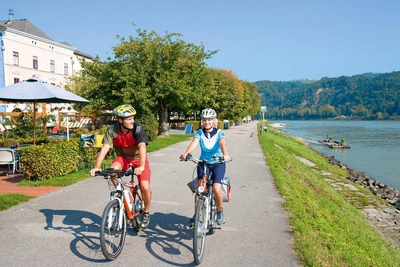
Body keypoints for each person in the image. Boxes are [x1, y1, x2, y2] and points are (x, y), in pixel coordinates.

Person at [90, 104, 152, 229]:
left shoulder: (137, 129)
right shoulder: (112, 130)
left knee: (145, 186)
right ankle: (120, 193)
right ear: (120, 120)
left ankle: (146, 212)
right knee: (113, 169)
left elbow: (142, 147)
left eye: (133, 118)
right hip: (123, 158)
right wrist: (97, 166)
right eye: (129, 119)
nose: (132, 121)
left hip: (138, 159)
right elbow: (105, 149)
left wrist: (140, 166)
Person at [180, 108, 231, 226]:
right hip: (204, 163)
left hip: (218, 163)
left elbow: (222, 143)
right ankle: (196, 214)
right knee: (199, 188)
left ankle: (219, 211)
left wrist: (225, 155)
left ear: (214, 121)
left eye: (209, 120)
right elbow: (194, 143)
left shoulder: (219, 133)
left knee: (217, 188)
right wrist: (186, 153)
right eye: (204, 120)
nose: (206, 122)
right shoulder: (199, 132)